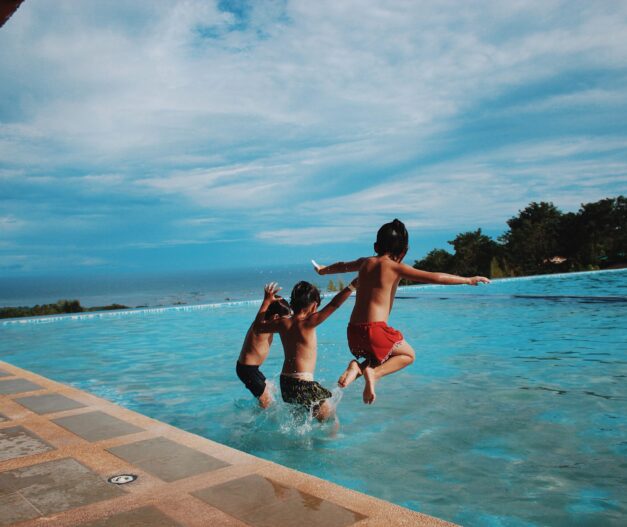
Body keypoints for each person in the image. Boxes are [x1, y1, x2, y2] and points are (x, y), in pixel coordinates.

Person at [312, 218, 490, 405]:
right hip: (375, 330)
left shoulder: (365, 262)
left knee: (380, 356)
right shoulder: (396, 267)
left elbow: (342, 266)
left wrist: (323, 270)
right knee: (407, 355)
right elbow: (436, 277)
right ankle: (374, 373)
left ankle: (356, 368)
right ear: (403, 251)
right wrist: (468, 280)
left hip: (353, 331)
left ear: (376, 245)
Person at [253, 279, 357, 421]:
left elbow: (257, 327)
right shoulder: (309, 322)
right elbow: (334, 304)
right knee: (330, 418)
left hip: (286, 383)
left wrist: (266, 302)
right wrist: (351, 287)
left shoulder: (283, 323)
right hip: (303, 384)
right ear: (314, 306)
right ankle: (329, 442)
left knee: (299, 420)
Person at [236, 296, 291, 408]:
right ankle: (255, 422)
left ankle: (256, 409)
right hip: (247, 370)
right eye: (285, 319)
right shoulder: (261, 327)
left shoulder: (268, 325)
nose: (286, 322)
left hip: (252, 369)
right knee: (267, 401)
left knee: (272, 389)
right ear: (276, 317)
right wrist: (266, 300)